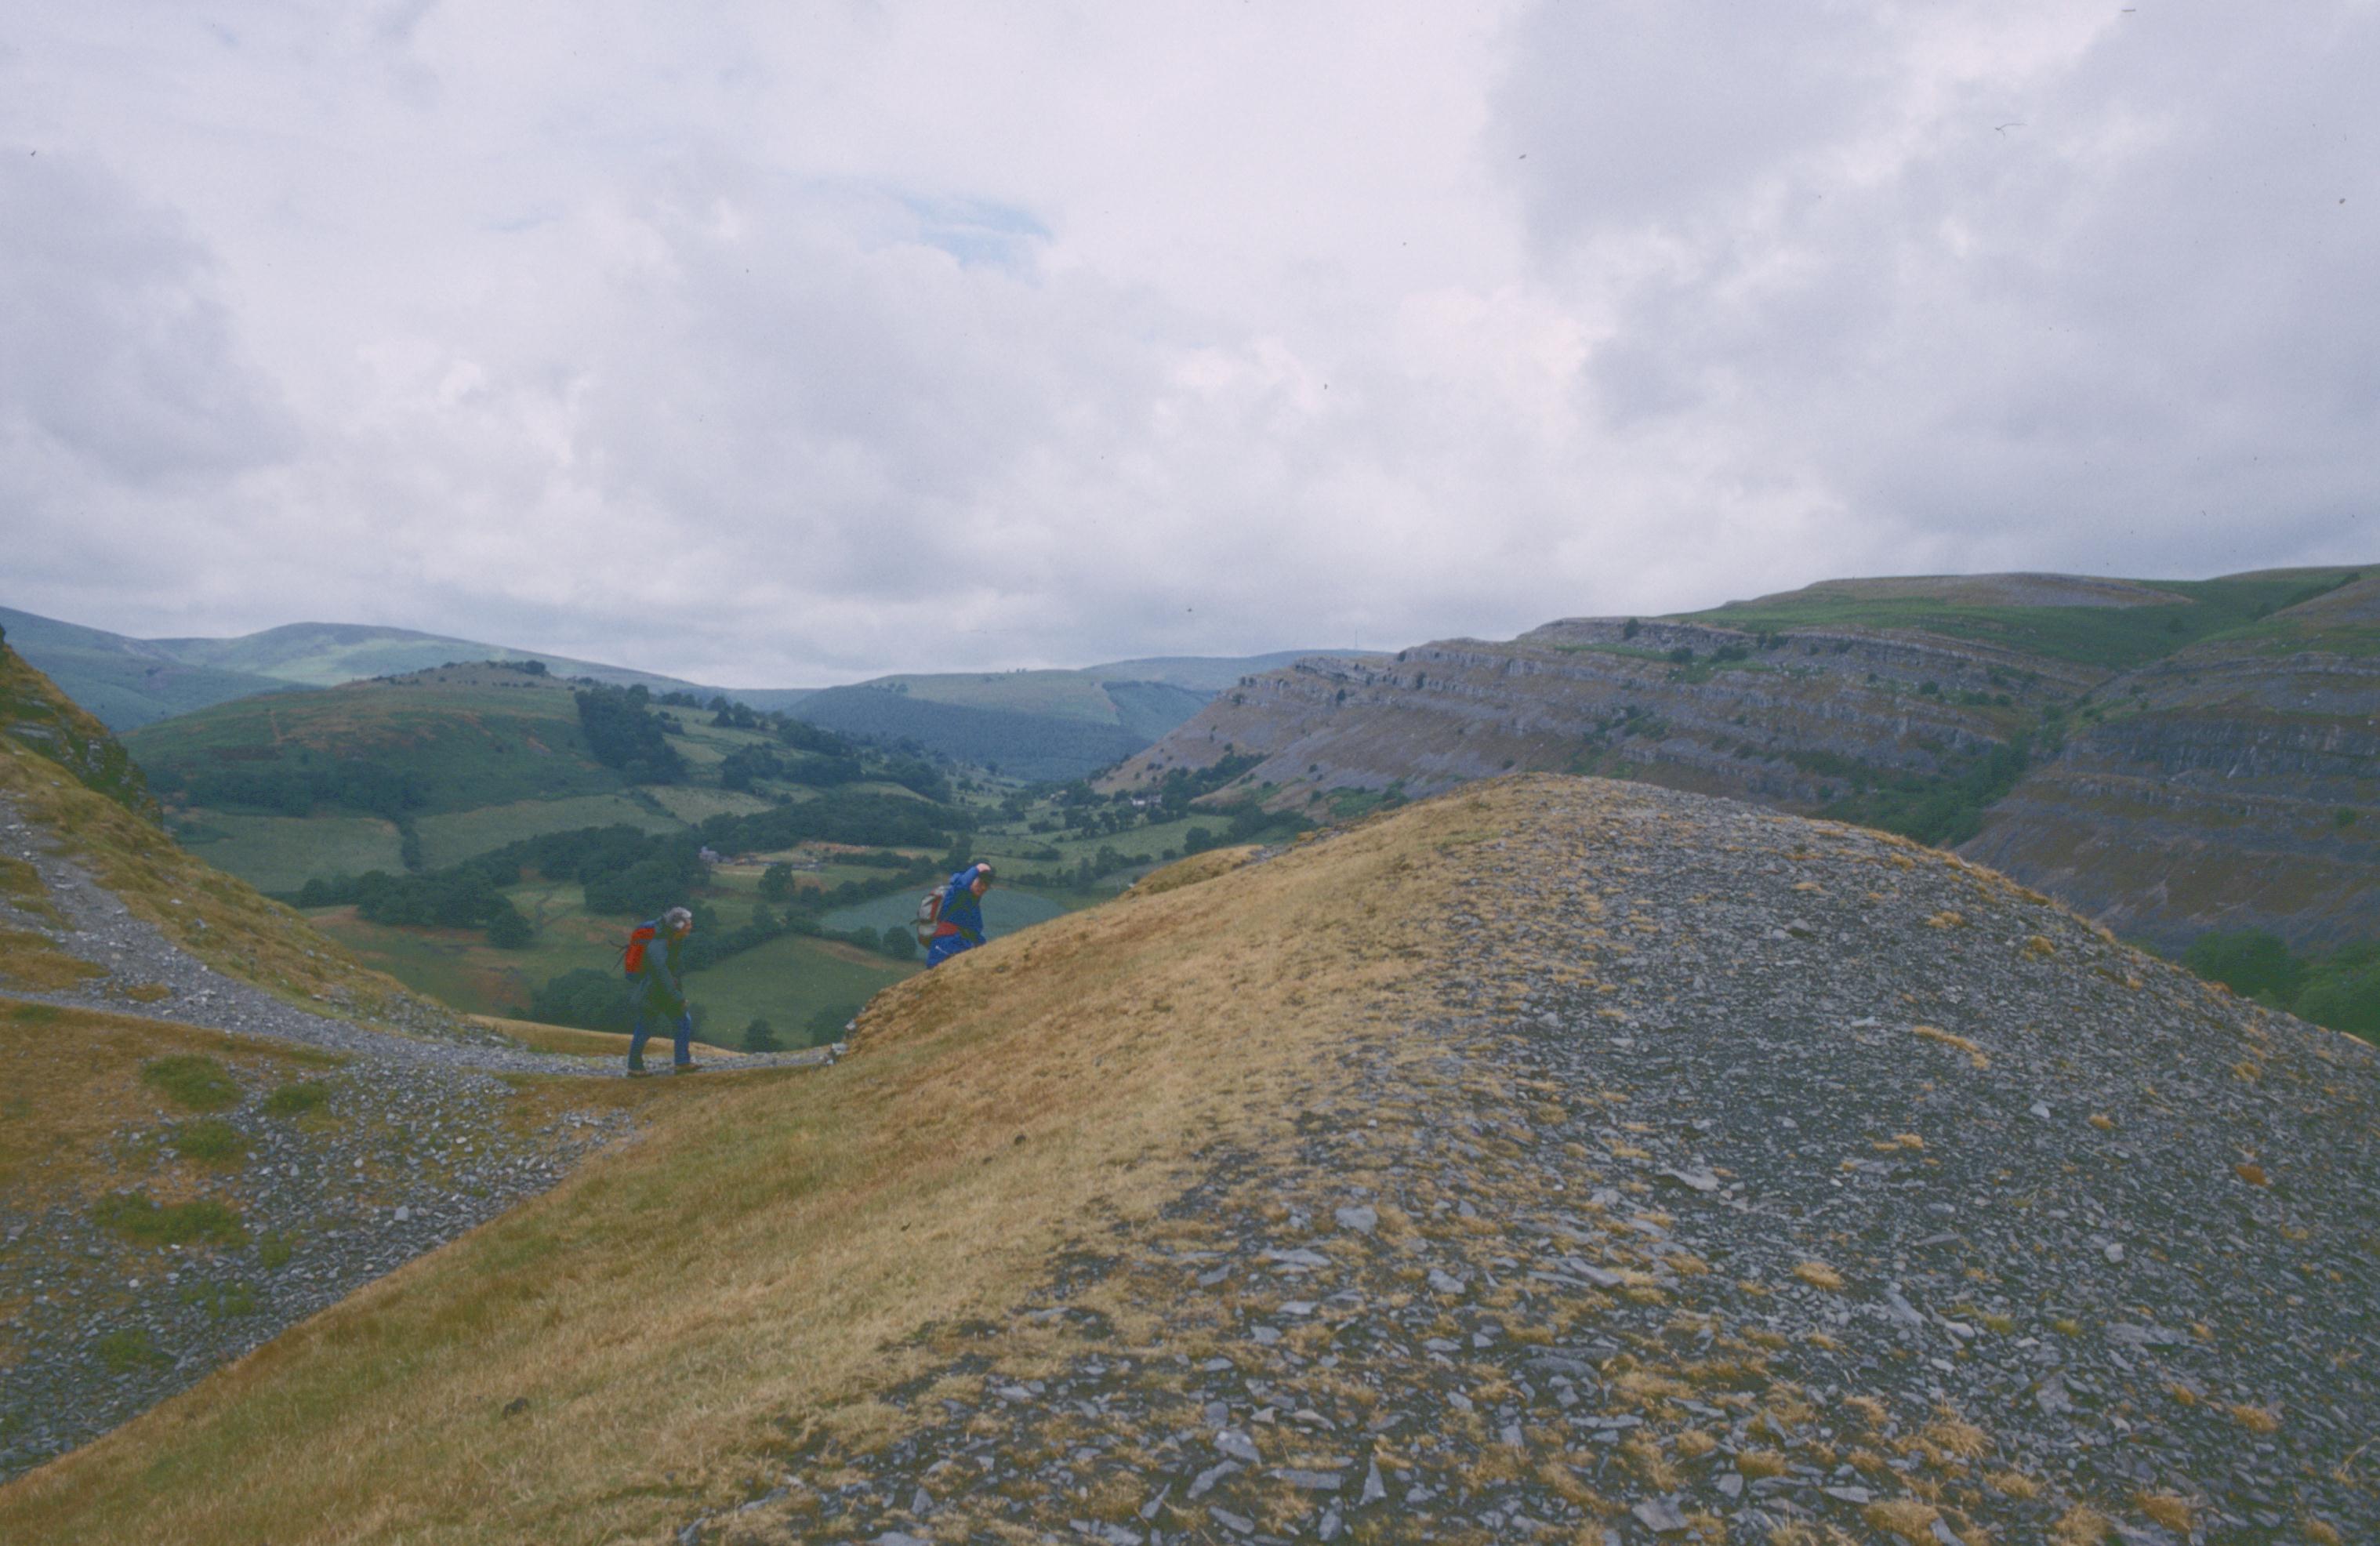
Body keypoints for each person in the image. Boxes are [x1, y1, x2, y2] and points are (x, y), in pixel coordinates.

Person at [628, 905, 701, 1074]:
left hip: (660, 991)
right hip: (655, 993)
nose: (691, 926)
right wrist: (677, 996)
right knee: (649, 1026)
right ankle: (636, 1067)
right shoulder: (660, 943)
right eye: (688, 923)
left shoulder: (671, 938)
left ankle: (680, 1062)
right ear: (679, 926)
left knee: (677, 1022)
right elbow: (661, 972)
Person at [925, 862, 994, 967]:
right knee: (935, 979)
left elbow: (976, 930)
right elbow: (962, 884)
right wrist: (977, 869)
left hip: (961, 947)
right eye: (980, 882)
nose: (983, 887)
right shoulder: (956, 893)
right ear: (971, 880)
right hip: (944, 945)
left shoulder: (974, 905)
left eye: (986, 885)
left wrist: (988, 950)